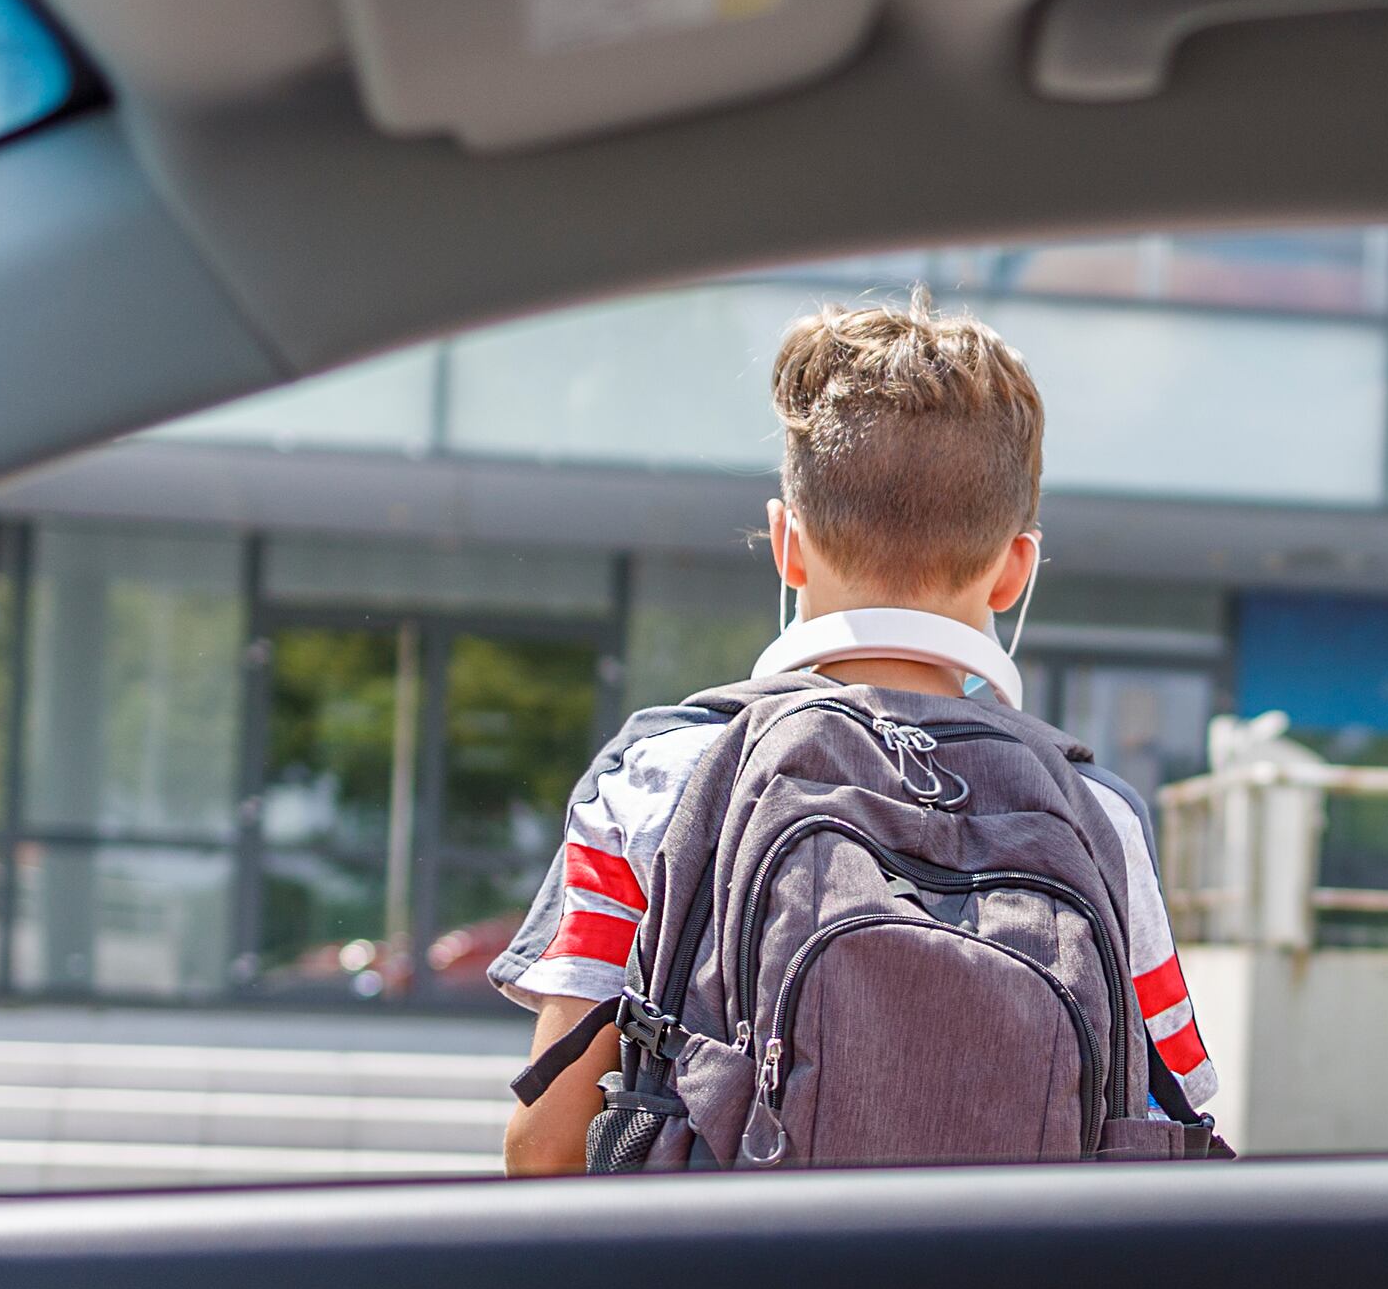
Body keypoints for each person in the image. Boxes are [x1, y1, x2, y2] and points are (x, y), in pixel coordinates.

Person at [492, 298, 1220, 1174]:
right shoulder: (1101, 818)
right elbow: (1167, 1121)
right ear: (1014, 571)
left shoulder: (662, 775)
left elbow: (547, 1146)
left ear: (786, 544)